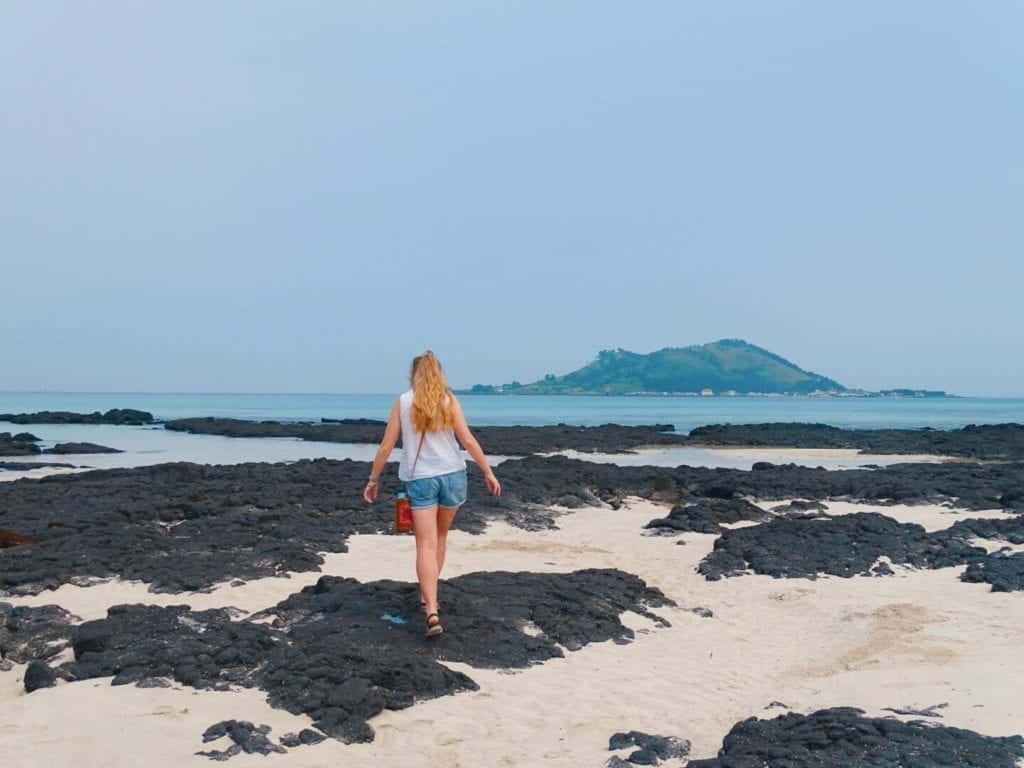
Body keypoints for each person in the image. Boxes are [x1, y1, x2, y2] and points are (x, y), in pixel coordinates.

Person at [363, 350, 501, 638]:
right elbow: (467, 439)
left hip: (421, 479)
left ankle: (431, 609)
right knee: (439, 539)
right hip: (453, 476)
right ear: (439, 373)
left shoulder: (403, 402)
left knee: (424, 544)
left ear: (413, 374)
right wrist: (488, 471)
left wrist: (373, 479)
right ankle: (429, 597)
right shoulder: (448, 400)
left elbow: (387, 446)